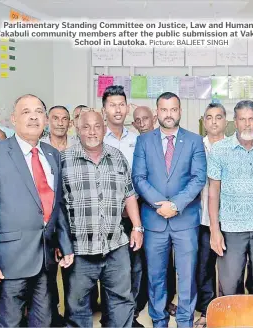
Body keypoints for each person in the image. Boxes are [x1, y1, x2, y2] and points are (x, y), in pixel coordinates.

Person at [0, 94, 74, 327]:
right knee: (12, 322)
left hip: (45, 259)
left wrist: (65, 244)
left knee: (43, 321)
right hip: (8, 261)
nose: (33, 117)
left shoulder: (52, 155)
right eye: (26, 112)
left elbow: (59, 205)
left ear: (45, 120)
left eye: (38, 111)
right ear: (13, 119)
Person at [61, 108, 143, 328]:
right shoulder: (65, 160)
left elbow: (129, 194)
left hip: (115, 246)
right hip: (80, 250)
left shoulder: (117, 158)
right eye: (86, 127)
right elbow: (58, 205)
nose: (91, 132)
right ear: (78, 129)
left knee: (121, 302)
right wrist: (60, 243)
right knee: (77, 308)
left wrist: (137, 227)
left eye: (97, 126)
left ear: (104, 128)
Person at [132, 92, 207, 328]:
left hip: (185, 219)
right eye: (164, 110)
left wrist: (175, 205)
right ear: (157, 112)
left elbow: (198, 178)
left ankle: (185, 321)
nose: (168, 114)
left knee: (186, 276)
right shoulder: (144, 141)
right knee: (156, 277)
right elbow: (139, 177)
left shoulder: (194, 140)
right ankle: (159, 321)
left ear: (180, 111)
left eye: (173, 109)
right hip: (154, 220)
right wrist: (160, 205)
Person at [208, 100, 253, 296]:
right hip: (231, 229)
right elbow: (213, 192)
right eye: (242, 119)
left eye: (251, 119)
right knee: (230, 286)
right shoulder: (220, 150)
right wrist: (215, 230)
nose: (247, 124)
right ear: (235, 122)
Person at [99, 85, 148, 327]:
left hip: (133, 212)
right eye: (112, 105)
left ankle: (131, 317)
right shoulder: (96, 139)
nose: (117, 110)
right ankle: (111, 318)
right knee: (109, 269)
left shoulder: (137, 139)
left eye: (121, 105)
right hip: (104, 214)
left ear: (127, 108)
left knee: (135, 267)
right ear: (104, 109)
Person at [131, 105, 178, 320]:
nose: (142, 124)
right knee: (142, 262)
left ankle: (165, 301)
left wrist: (166, 205)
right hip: (140, 208)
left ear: (154, 118)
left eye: (145, 119)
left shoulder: (167, 141)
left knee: (165, 261)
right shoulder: (139, 142)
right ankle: (142, 301)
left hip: (164, 209)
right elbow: (138, 177)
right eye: (137, 121)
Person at [194, 103, 227, 328]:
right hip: (202, 217)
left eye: (218, 117)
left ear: (225, 120)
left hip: (230, 218)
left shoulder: (234, 146)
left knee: (228, 267)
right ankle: (207, 309)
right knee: (203, 266)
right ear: (204, 122)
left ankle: (226, 308)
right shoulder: (196, 147)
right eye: (209, 118)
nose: (214, 122)